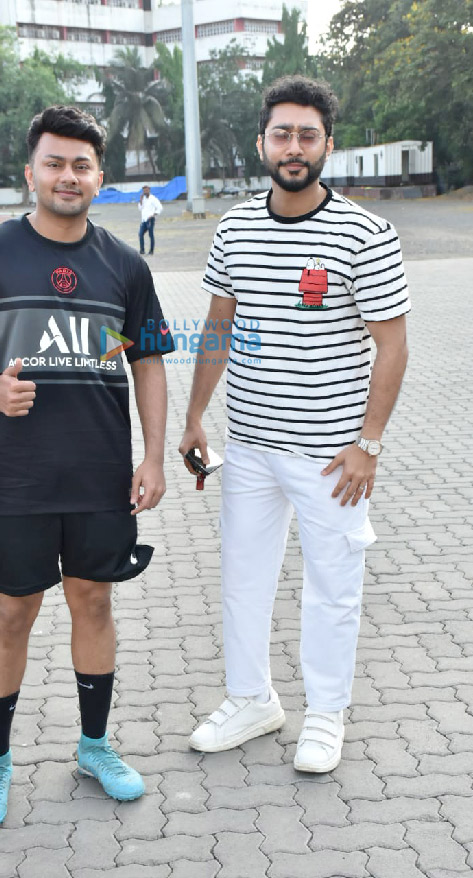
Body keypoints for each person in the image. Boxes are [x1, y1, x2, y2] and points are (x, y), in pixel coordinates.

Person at [0, 105, 174, 831]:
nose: (68, 176)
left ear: (100, 177)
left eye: (81, 165)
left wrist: (153, 455)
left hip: (98, 475)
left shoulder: (124, 265)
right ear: (31, 171)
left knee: (93, 602)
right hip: (13, 477)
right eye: (54, 163)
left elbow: (148, 361)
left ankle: (94, 747)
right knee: (11, 613)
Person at [179, 75, 410, 773]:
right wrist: (194, 417)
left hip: (330, 456)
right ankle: (251, 699)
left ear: (326, 146)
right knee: (242, 578)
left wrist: (368, 443)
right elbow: (218, 328)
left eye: (307, 134)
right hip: (248, 445)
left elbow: (391, 344)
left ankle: (324, 714)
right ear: (261, 143)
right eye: (281, 132)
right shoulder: (235, 227)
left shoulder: (363, 234)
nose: (293, 146)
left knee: (332, 586)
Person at [138, 184, 162, 255]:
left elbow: (160, 208)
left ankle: (151, 250)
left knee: (150, 235)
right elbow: (140, 209)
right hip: (144, 220)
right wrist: (141, 200)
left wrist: (153, 215)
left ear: (149, 190)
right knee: (140, 234)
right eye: (144, 190)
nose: (145, 191)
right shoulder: (143, 199)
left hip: (150, 219)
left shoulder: (153, 199)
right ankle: (142, 250)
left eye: (146, 190)